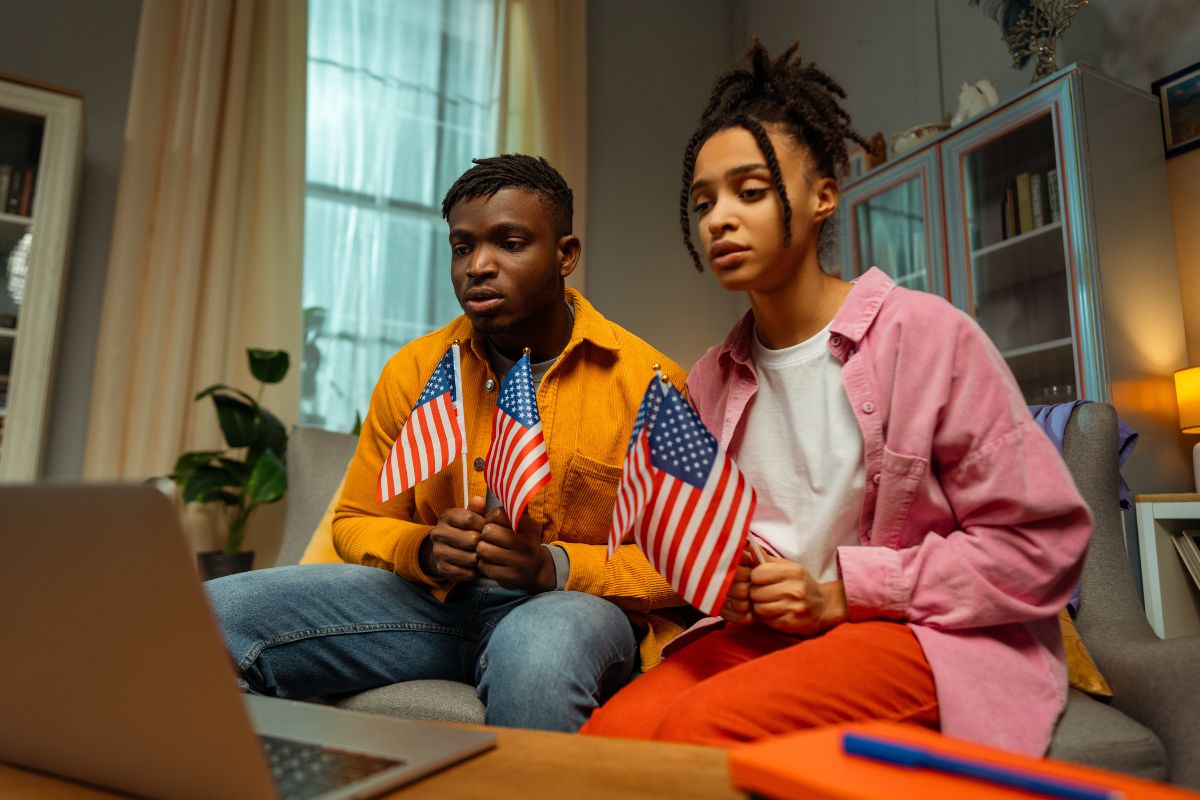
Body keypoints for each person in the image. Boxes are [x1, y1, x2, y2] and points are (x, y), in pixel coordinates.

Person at [581, 41, 1092, 756]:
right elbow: (712, 541)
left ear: (824, 195)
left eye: (750, 191)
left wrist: (846, 592)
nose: (719, 219)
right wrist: (724, 587)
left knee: (701, 731)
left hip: (915, 634)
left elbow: (1040, 547)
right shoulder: (708, 377)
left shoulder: (930, 337)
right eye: (703, 203)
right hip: (759, 637)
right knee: (606, 747)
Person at [207, 154, 692, 732]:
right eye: (463, 248)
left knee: (539, 660)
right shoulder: (416, 371)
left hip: (569, 609)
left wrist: (556, 566)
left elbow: (688, 561)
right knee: (213, 614)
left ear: (566, 254)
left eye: (509, 243)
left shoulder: (650, 383)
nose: (479, 266)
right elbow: (356, 518)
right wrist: (427, 550)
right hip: (432, 604)